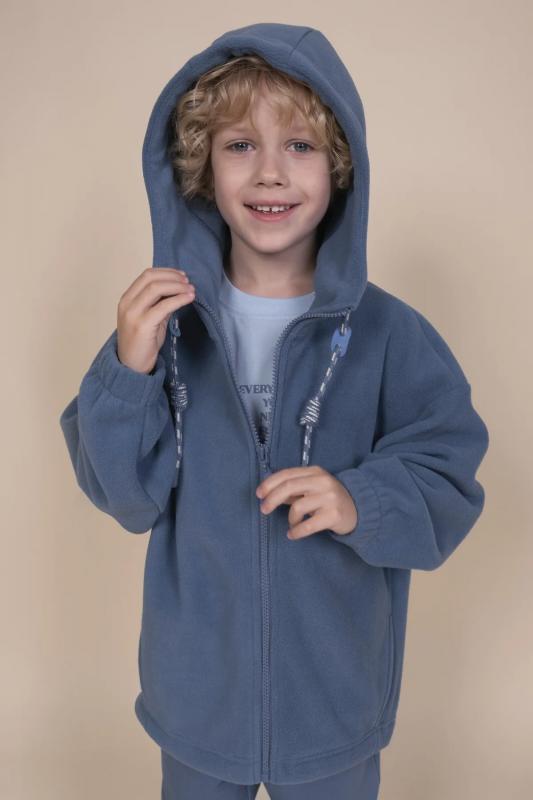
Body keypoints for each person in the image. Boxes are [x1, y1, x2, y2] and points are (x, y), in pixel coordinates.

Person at [59, 22, 490, 800]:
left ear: (340, 167)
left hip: (333, 702)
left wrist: (359, 498)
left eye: (299, 145)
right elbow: (125, 496)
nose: (269, 172)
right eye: (238, 145)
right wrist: (128, 369)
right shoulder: (162, 328)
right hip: (196, 699)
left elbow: (447, 471)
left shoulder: (388, 333)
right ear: (199, 166)